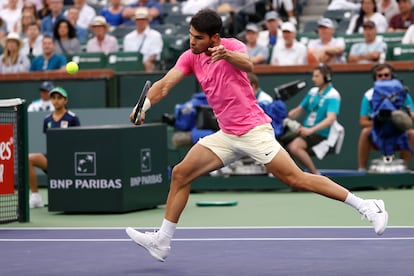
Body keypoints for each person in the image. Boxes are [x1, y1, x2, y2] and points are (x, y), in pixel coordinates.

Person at [125, 9, 388, 262]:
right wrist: (144, 106)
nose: (192, 41)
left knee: (296, 179)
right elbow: (165, 84)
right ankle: (162, 241)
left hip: (253, 130)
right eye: (191, 36)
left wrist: (226, 55)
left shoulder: (232, 47)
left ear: (214, 38)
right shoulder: (190, 56)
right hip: (227, 134)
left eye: (198, 38)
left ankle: (367, 206)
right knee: (181, 173)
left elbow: (248, 64)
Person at [29, 86, 81, 208]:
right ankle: (35, 196)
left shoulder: (72, 118)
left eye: (59, 98)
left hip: (67, 160)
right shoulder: (47, 119)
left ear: (65, 101)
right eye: (53, 98)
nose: (56, 101)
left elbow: (78, 140)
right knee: (29, 158)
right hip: (51, 159)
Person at [284, 65, 341, 174]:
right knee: (280, 141)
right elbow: (299, 110)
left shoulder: (333, 95)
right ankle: (292, 175)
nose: (313, 79)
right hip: (305, 130)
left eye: (316, 76)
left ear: (327, 77)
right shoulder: (312, 91)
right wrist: (284, 116)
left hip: (320, 134)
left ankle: (315, 175)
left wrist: (311, 130)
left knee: (295, 146)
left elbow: (331, 119)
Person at [358, 63, 414, 171]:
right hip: (378, 133)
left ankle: (404, 170)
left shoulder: (403, 94)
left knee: (411, 133)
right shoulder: (369, 95)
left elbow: (412, 117)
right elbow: (363, 122)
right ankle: (361, 170)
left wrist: (401, 117)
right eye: (380, 76)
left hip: (398, 132)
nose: (383, 78)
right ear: (375, 78)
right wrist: (379, 122)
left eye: (386, 75)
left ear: (391, 76)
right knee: (365, 132)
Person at [123, 7, 163, 72]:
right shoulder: (128, 37)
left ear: (147, 20)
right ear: (135, 21)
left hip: (149, 64)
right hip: (132, 65)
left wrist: (146, 62)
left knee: (148, 64)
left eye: (143, 19)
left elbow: (155, 54)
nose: (140, 22)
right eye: (138, 20)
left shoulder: (155, 35)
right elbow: (127, 55)